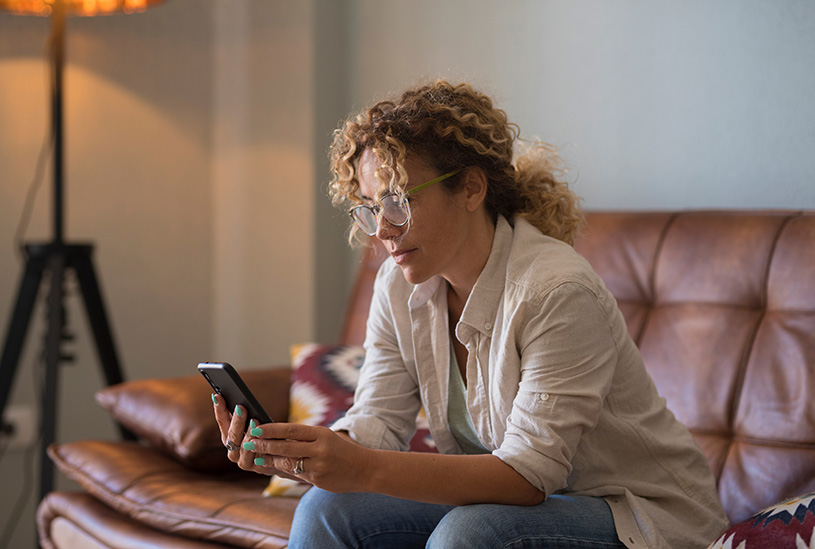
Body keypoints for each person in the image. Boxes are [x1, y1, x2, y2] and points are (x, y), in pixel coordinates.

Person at [211, 79, 729, 548]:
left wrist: (361, 468)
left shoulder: (557, 291)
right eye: (370, 207)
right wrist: (302, 452)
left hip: (635, 516)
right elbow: (376, 424)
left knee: (470, 534)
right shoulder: (398, 283)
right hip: (528, 507)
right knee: (326, 509)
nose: (382, 230)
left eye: (397, 201)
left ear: (471, 189)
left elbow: (528, 477)